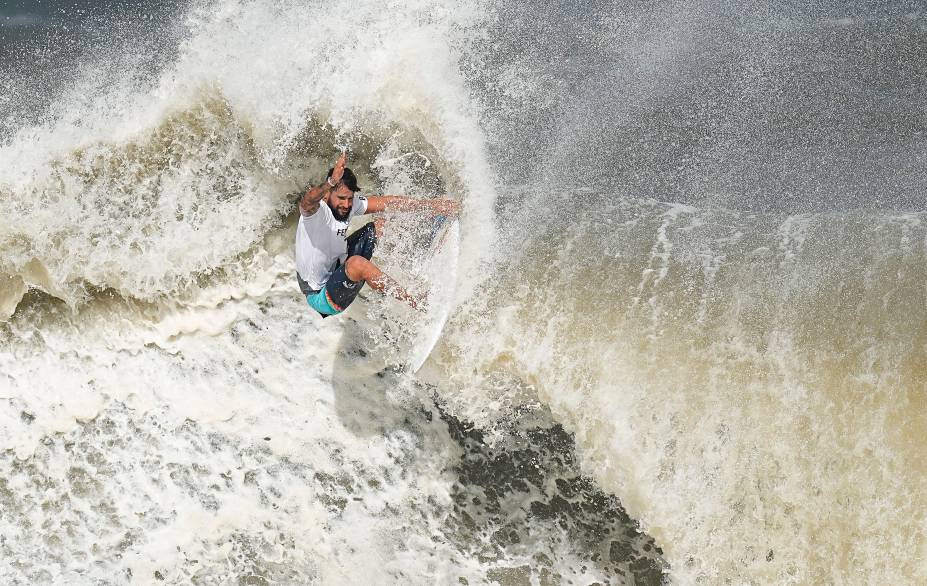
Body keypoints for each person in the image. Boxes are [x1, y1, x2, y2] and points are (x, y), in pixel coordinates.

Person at [295, 151, 459, 317]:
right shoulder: (315, 213)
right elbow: (307, 201)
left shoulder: (350, 205)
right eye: (341, 198)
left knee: (382, 224)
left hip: (337, 269)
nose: (346, 204)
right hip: (322, 297)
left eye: (350, 198)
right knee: (356, 264)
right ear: (328, 194)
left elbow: (387, 202)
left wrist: (431, 206)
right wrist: (331, 182)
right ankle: (417, 303)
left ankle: (429, 244)